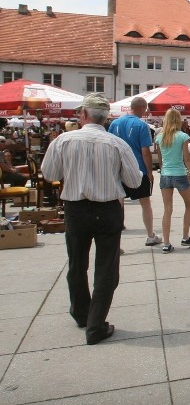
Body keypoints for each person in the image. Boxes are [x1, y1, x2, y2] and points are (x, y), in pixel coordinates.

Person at [41, 94, 142, 345]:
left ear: (84, 115)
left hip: (76, 208)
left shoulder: (64, 140)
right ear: (105, 116)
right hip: (107, 208)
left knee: (77, 263)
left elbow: (50, 173)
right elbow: (134, 181)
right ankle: (95, 324)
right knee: (106, 268)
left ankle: (82, 313)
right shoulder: (116, 144)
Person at [108, 96, 160, 247]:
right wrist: (150, 172)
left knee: (118, 205)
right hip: (138, 170)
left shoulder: (114, 123)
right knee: (145, 203)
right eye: (145, 109)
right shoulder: (141, 125)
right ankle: (150, 235)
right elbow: (145, 152)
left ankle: (116, 243)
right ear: (141, 108)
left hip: (118, 169)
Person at [155, 109, 190, 253]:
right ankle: (185, 237)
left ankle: (166, 243)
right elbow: (187, 159)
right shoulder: (182, 136)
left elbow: (161, 160)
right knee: (189, 205)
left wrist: (163, 171)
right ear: (178, 120)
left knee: (167, 209)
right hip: (179, 174)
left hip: (165, 175)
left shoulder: (160, 137)